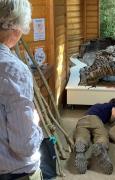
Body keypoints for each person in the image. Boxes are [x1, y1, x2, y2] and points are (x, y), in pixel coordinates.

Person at [0, 0, 43, 179]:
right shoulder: (13, 70)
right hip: (13, 171)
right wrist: (35, 122)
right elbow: (24, 146)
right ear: (16, 29)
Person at [74, 98, 115, 175]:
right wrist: (111, 120)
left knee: (82, 135)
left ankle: (80, 143)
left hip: (82, 119)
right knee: (101, 135)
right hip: (96, 120)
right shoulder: (113, 105)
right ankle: (101, 145)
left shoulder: (97, 105)